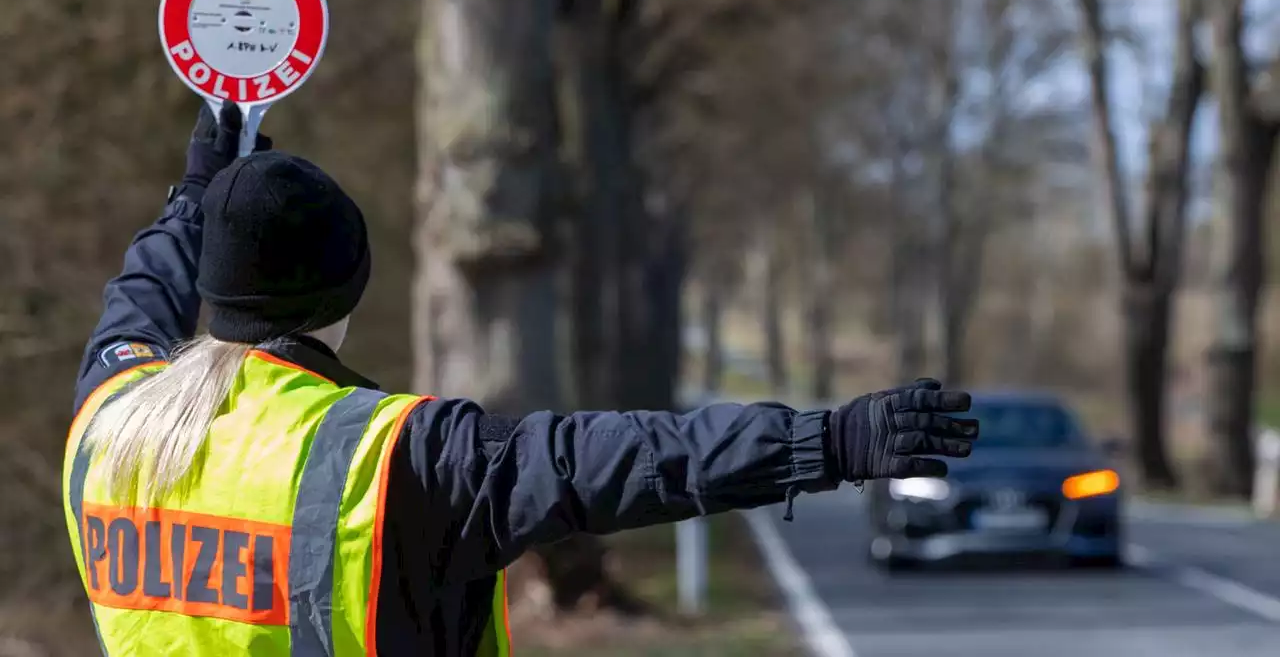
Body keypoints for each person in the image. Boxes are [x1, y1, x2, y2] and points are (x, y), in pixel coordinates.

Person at [62, 101, 979, 657]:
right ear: (350, 288)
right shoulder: (395, 460)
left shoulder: (111, 420)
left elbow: (139, 297)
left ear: (215, 290)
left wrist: (193, 199)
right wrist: (832, 441)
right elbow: (631, 460)